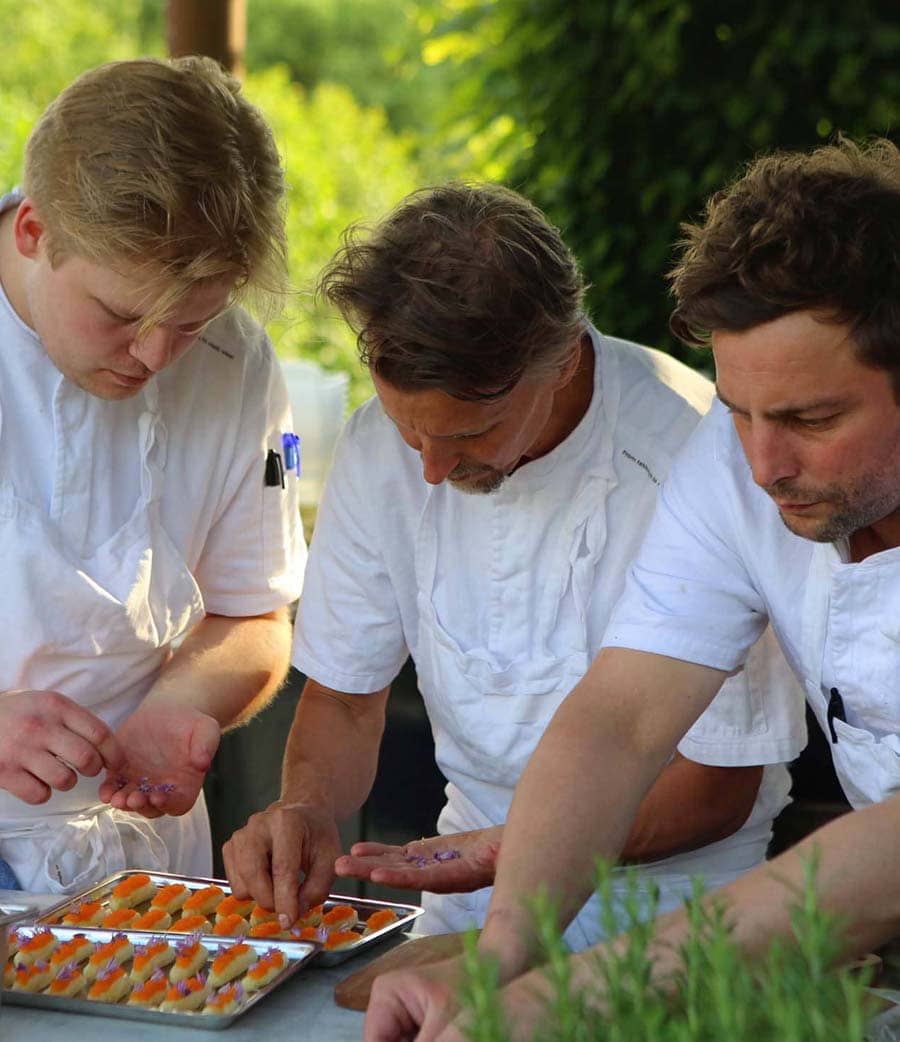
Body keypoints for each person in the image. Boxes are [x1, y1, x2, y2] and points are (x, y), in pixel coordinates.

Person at [361, 138, 900, 1042]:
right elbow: (620, 719)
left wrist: (584, 991)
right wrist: (501, 960)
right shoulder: (733, 466)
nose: (764, 465)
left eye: (813, 418)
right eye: (738, 412)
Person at [222, 182, 803, 948]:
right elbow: (347, 699)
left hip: (675, 906)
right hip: (460, 877)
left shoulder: (692, 454)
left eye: (470, 436)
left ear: (560, 362)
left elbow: (720, 786)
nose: (430, 469)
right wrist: (305, 809)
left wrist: (515, 848)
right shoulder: (375, 449)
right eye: (410, 431)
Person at [0, 56, 305, 894]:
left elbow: (255, 611)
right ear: (35, 231)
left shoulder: (238, 359)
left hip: (142, 853)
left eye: (191, 322)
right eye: (122, 315)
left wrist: (184, 702)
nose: (155, 356)